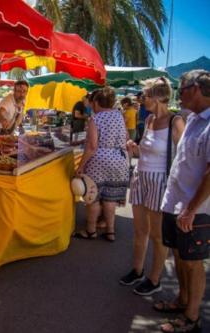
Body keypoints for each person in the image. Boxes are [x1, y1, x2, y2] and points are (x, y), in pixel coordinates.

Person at [119, 77, 185, 296]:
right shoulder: (148, 121)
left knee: (157, 235)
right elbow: (144, 152)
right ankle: (137, 270)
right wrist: (133, 148)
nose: (141, 99)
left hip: (160, 182)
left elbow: (182, 159)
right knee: (140, 231)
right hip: (141, 178)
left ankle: (155, 278)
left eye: (144, 95)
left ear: (158, 97)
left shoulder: (175, 122)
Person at [157, 70, 210, 333]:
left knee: (192, 261)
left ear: (197, 89)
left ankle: (192, 318)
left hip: (195, 209)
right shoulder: (193, 119)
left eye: (183, 87)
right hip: (176, 202)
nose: (180, 92)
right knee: (178, 256)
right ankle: (182, 300)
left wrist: (190, 209)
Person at [73, 87, 129, 242]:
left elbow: (92, 146)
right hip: (119, 159)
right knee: (110, 199)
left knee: (93, 197)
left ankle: (91, 230)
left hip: (99, 161)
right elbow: (126, 138)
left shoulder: (96, 119)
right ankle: (110, 231)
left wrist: (81, 166)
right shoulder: (119, 116)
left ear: (96, 102)